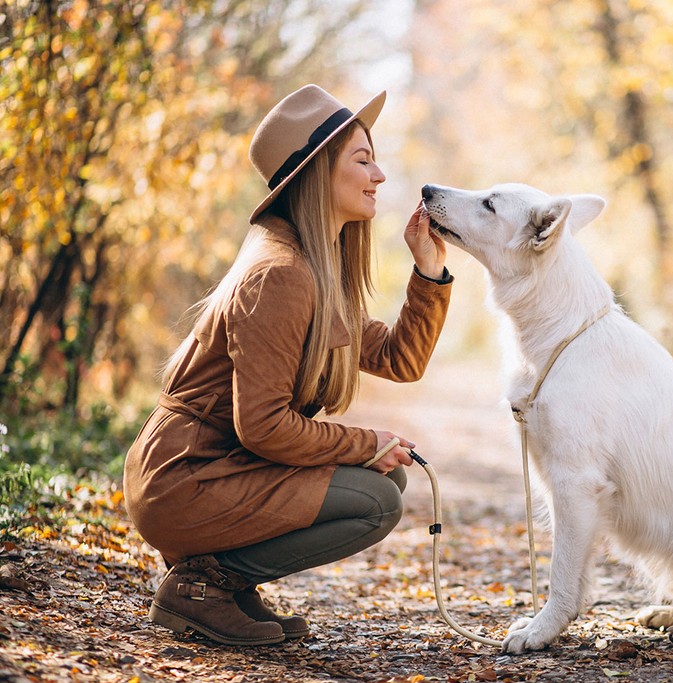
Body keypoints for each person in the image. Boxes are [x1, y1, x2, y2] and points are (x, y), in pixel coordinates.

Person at [123, 85, 452, 646]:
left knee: (386, 477)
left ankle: (226, 585)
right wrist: (364, 440)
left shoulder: (313, 270)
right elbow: (264, 426)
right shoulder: (281, 275)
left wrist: (429, 271)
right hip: (187, 477)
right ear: (317, 172)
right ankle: (205, 586)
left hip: (217, 468)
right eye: (363, 159)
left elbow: (401, 359)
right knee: (376, 500)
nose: (380, 176)